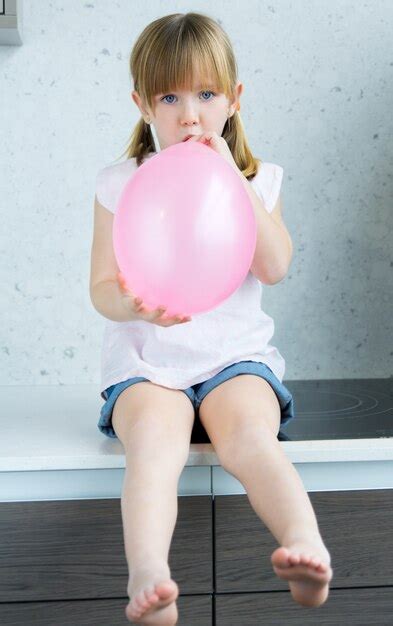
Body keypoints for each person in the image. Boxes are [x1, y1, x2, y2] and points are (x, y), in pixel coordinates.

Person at [89, 11, 333, 625]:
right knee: (153, 446)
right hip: (149, 365)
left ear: (234, 100)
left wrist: (230, 174)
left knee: (250, 438)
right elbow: (100, 289)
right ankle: (148, 576)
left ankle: (306, 545)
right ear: (142, 103)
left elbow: (274, 266)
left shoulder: (257, 179)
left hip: (234, 360)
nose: (189, 114)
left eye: (205, 94)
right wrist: (133, 304)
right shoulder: (121, 183)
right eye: (169, 96)